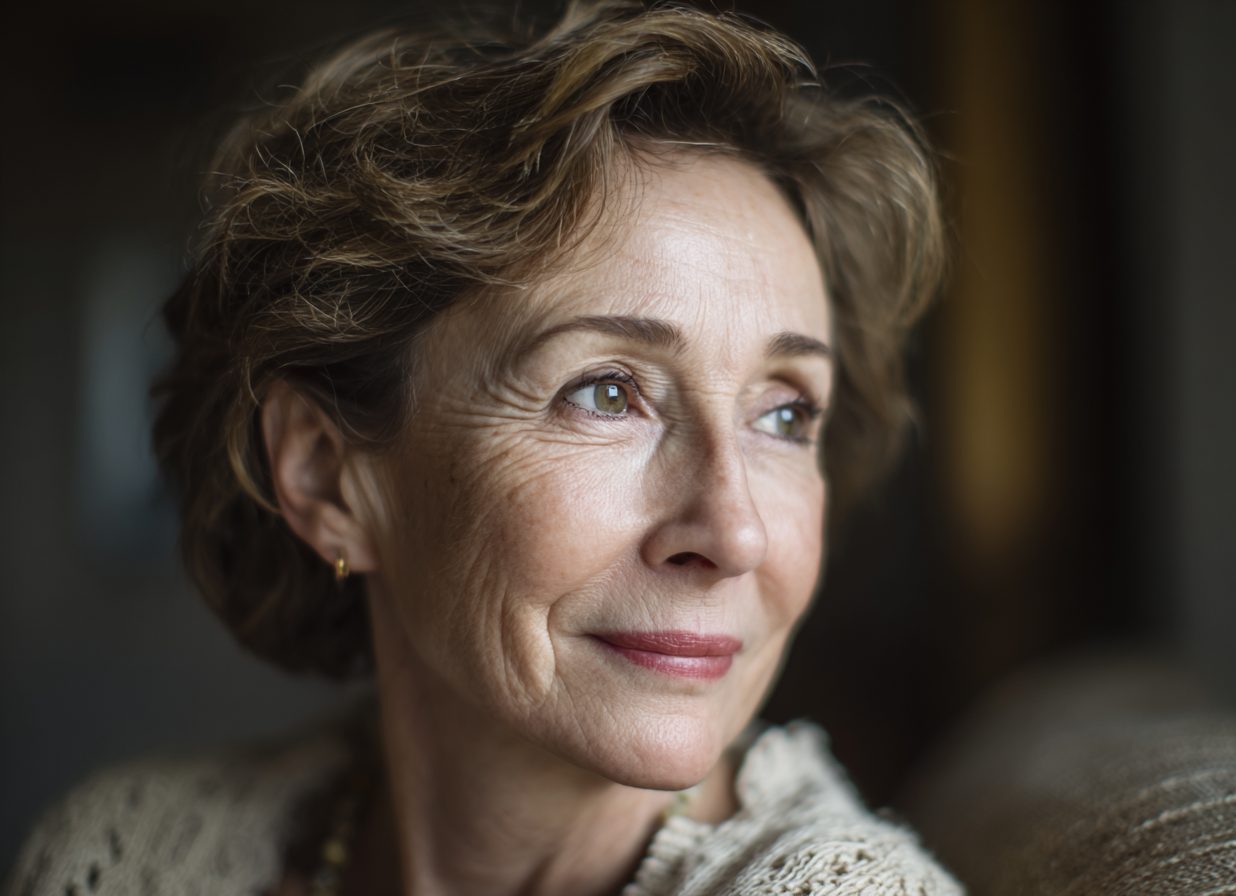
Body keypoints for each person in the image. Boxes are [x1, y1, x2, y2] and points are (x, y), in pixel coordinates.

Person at [6, 3, 954, 894]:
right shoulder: (120, 854)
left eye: (785, 414)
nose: (734, 531)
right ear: (327, 475)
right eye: (608, 393)